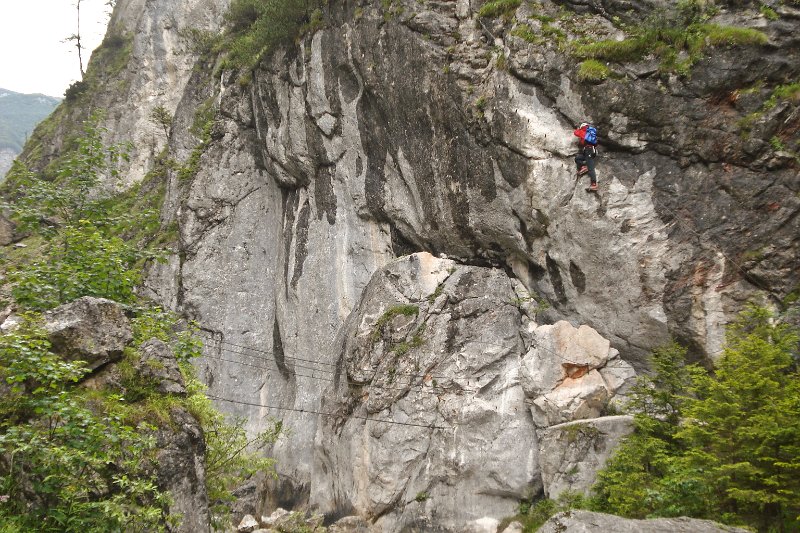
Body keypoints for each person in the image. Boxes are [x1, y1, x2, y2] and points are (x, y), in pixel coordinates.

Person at [573, 122, 598, 191]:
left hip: (589, 150)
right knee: (577, 158)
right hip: (587, 151)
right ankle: (584, 167)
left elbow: (576, 133)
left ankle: (594, 184)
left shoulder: (584, 131)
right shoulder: (588, 133)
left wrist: (579, 129)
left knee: (591, 168)